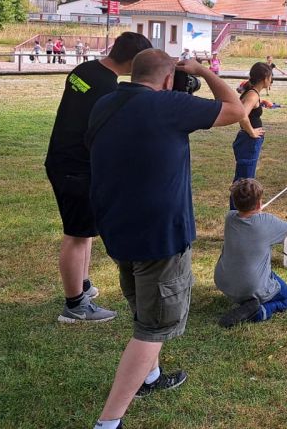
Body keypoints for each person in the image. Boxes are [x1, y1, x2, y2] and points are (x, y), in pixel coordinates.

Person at [87, 50, 246, 429]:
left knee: (147, 309)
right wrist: (203, 70)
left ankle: (151, 377)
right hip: (159, 235)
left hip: (117, 227)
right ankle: (109, 422)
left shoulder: (104, 104)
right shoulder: (167, 105)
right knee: (154, 327)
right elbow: (236, 108)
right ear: (167, 79)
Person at [44, 31, 152, 324]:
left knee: (86, 229)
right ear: (132, 60)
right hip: (76, 167)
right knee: (77, 235)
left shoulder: (85, 70)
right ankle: (75, 305)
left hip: (64, 160)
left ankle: (84, 285)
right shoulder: (108, 88)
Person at [214, 179, 287, 327]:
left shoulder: (230, 218)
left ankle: (247, 301)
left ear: (235, 202)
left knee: (267, 280)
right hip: (250, 286)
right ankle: (259, 311)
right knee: (286, 298)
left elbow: (250, 218)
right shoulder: (266, 222)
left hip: (224, 282)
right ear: (259, 204)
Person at [232, 62, 272, 196]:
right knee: (245, 181)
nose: (271, 80)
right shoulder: (253, 95)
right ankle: (240, 211)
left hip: (248, 140)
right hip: (249, 140)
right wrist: (252, 132)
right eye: (270, 77)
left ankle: (240, 209)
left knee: (243, 178)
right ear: (265, 77)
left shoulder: (252, 93)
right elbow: (242, 115)